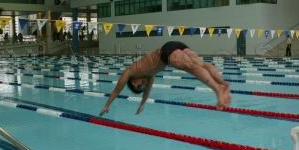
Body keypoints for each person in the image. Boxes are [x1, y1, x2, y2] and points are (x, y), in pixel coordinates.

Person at [99, 42, 231, 116]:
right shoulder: (149, 77)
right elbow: (147, 92)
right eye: (142, 87)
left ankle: (218, 90)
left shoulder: (129, 72)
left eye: (139, 86)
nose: (143, 86)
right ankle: (222, 84)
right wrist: (142, 104)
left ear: (134, 82)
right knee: (201, 65)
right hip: (174, 47)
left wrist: (106, 105)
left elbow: (116, 91)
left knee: (194, 68)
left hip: (167, 52)